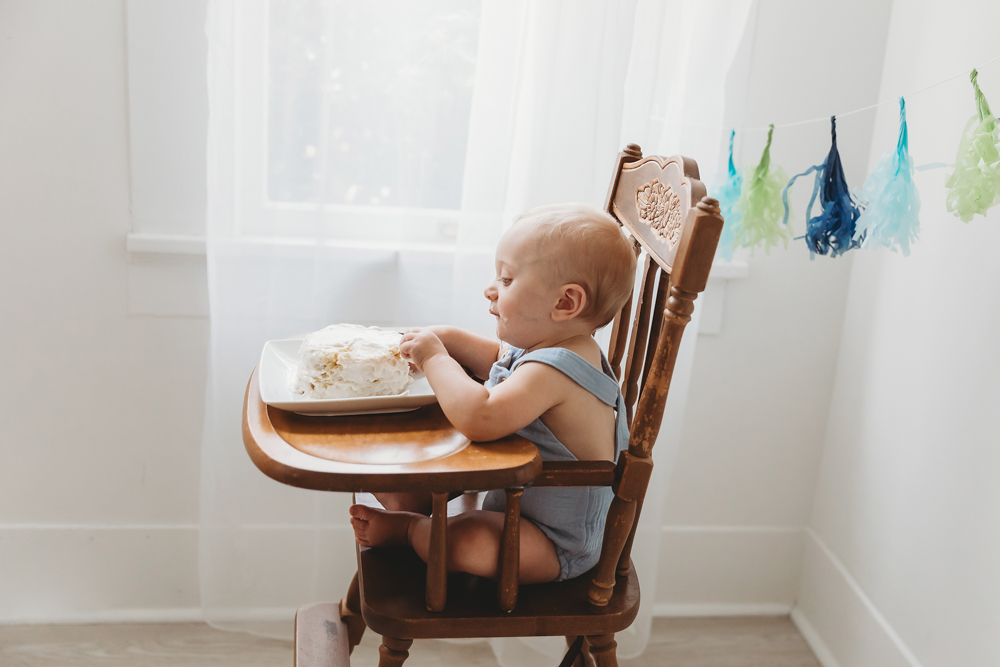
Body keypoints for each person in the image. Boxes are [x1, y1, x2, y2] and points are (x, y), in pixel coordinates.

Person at [349, 203, 637, 584]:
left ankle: (407, 530)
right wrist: (441, 339)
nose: (490, 290)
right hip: (513, 503)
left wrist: (434, 356)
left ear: (565, 303)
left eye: (506, 280)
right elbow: (495, 360)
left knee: (468, 541)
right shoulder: (550, 344)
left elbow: (480, 417)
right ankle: (413, 502)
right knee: (391, 471)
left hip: (554, 544)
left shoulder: (557, 369)